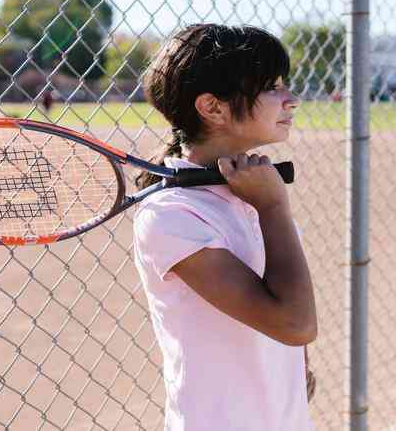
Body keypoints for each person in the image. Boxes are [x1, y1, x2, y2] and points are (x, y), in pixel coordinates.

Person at [132, 24, 317, 431]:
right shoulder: (171, 216)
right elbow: (295, 324)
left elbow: (291, 334)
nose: (292, 99)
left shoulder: (246, 191)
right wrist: (273, 207)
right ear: (213, 108)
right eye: (271, 87)